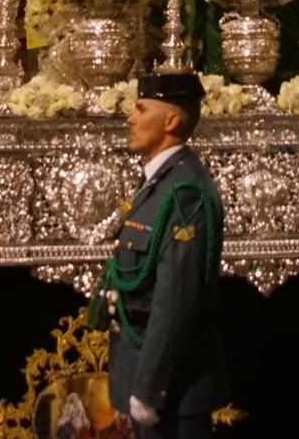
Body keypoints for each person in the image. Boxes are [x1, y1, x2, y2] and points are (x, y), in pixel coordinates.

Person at [97, 72, 227, 438]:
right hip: (143, 373)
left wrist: (151, 389)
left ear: (171, 121)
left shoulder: (185, 190)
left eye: (141, 109)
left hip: (171, 387)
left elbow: (177, 298)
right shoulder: (157, 182)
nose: (130, 118)